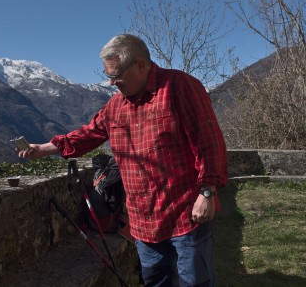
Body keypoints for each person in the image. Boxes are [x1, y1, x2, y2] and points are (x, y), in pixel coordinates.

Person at [19, 34, 227, 287]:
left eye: (116, 75)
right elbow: (90, 133)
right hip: (143, 218)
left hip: (185, 211)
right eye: (108, 76)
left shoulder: (179, 86)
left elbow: (209, 141)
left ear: (141, 65)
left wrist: (207, 192)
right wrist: (45, 148)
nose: (112, 82)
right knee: (154, 281)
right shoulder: (116, 105)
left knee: (195, 282)